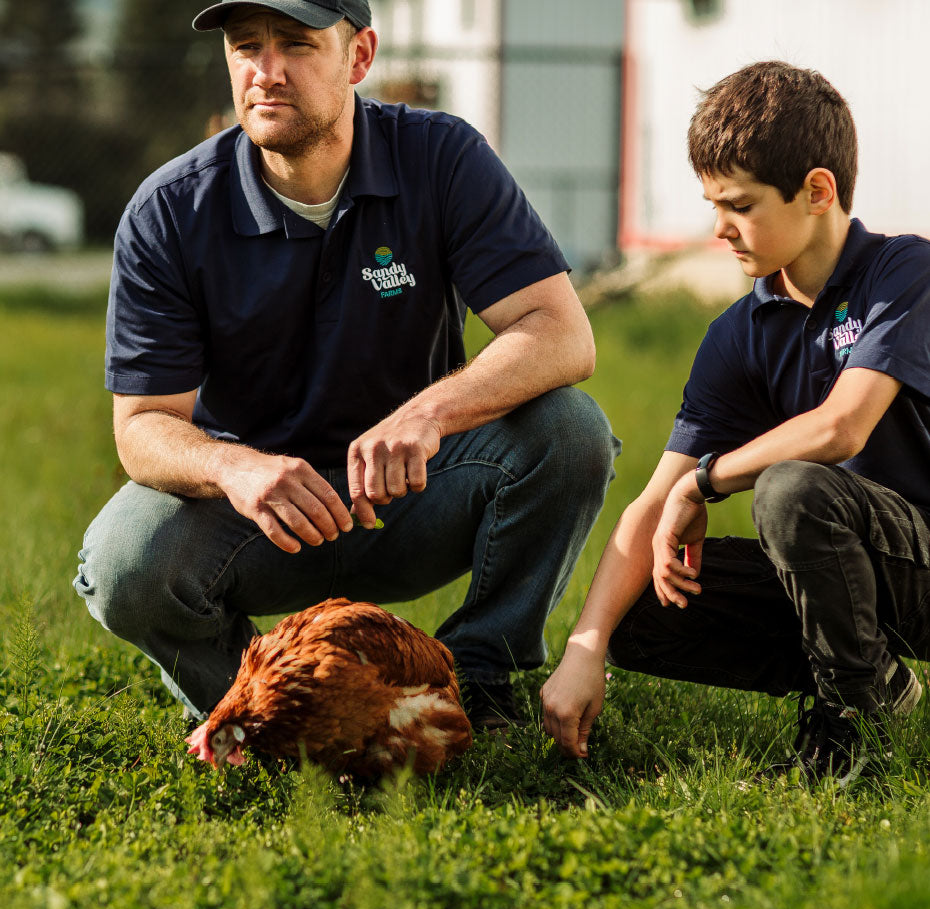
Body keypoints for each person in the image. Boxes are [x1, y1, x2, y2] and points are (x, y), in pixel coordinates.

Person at [73, 0, 618, 731]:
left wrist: (427, 416)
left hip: (416, 495)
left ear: (359, 57)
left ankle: (481, 679)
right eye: (245, 48)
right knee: (120, 561)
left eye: (296, 45)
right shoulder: (168, 211)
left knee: (571, 432)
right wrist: (238, 470)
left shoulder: (441, 157)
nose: (266, 72)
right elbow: (141, 426)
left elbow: (562, 333)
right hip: (261, 520)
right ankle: (268, 708)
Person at [541, 60, 930, 783]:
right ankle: (873, 678)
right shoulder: (740, 331)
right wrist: (585, 647)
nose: (719, 227)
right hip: (842, 573)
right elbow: (652, 503)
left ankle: (855, 726)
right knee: (643, 604)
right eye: (712, 202)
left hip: (923, 562)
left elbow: (841, 428)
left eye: (740, 205)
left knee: (791, 489)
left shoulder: (905, 274)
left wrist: (706, 482)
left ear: (818, 191)